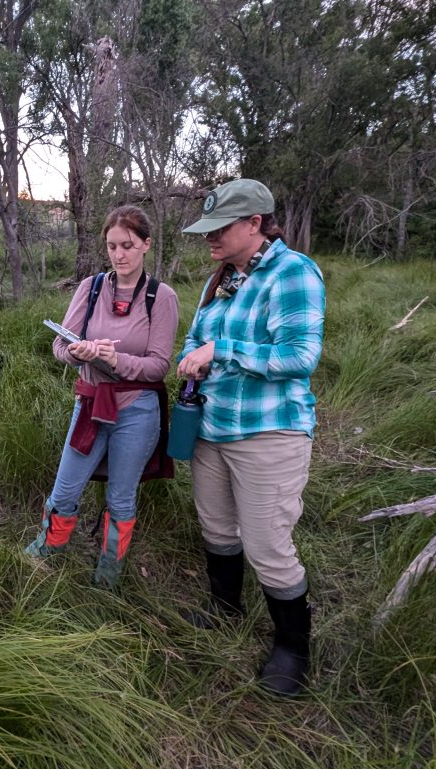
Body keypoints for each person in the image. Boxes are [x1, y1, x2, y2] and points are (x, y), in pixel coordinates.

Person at [177, 179, 325, 697]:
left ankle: (292, 647)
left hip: (268, 433)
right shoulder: (222, 278)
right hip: (212, 428)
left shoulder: (293, 273)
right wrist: (193, 356)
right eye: (207, 229)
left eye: (220, 229)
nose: (209, 239)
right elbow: (195, 339)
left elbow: (299, 357)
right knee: (217, 527)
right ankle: (225, 609)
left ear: (255, 224)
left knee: (267, 543)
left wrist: (221, 351)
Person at [25, 205, 179, 588]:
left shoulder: (161, 297)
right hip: (91, 403)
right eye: (112, 246)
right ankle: (48, 549)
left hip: (137, 410)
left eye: (127, 245)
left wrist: (117, 359)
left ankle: (108, 573)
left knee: (121, 497)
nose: (119, 254)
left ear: (146, 244)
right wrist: (77, 353)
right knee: (65, 487)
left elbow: (160, 366)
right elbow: (61, 346)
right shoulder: (90, 288)